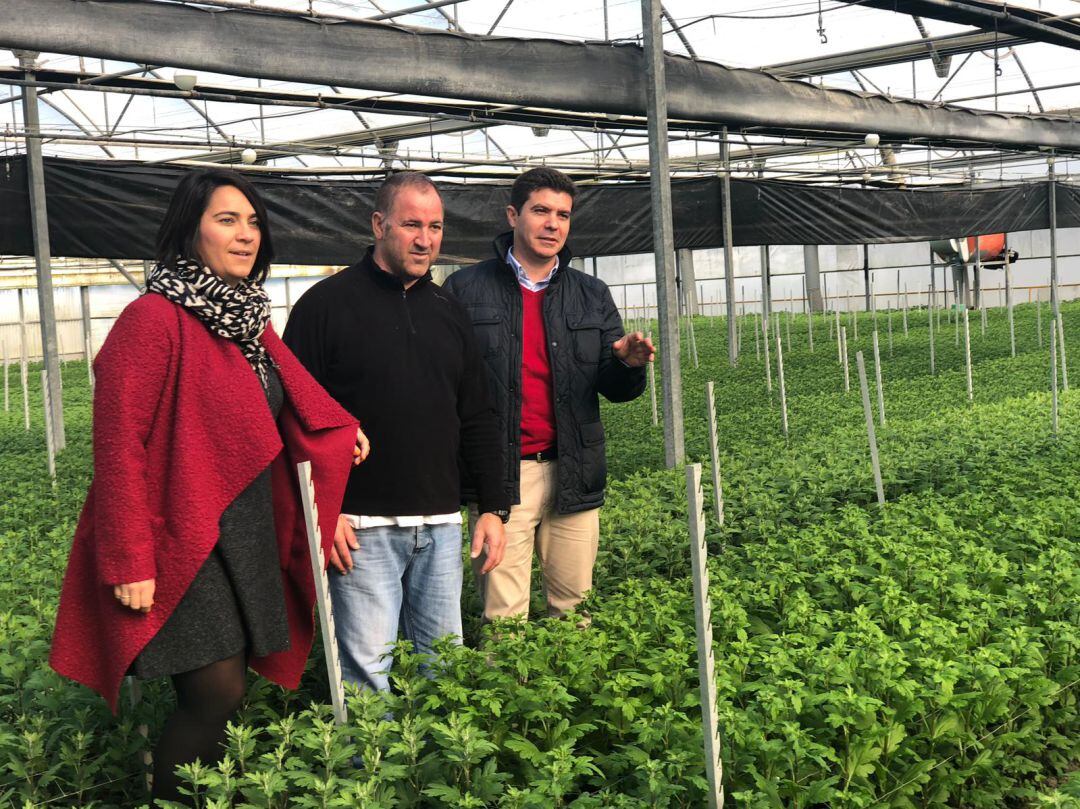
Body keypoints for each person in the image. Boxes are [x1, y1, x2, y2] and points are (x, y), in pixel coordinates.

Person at [49, 168, 365, 805]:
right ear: (189, 230)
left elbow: (296, 394)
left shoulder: (249, 322)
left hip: (240, 534)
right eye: (228, 220)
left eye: (253, 222)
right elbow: (117, 448)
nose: (247, 234)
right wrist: (128, 559)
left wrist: (340, 429)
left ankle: (205, 797)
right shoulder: (153, 320)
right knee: (213, 691)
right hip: (182, 538)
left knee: (229, 692)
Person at [283, 172, 509, 693]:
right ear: (379, 224)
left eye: (435, 227)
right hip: (360, 529)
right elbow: (294, 416)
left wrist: (493, 508)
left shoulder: (449, 311)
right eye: (411, 224)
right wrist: (322, 509)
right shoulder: (324, 307)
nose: (426, 239)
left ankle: (443, 775)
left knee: (445, 668)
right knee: (367, 674)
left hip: (440, 525)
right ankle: (373, 774)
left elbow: (476, 415)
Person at [442, 167, 653, 622]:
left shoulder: (591, 294)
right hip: (501, 477)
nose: (553, 223)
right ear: (513, 215)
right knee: (503, 617)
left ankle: (572, 691)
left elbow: (613, 390)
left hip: (573, 472)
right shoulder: (464, 289)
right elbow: (444, 384)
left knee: (575, 609)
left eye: (563, 214)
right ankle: (513, 691)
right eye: (541, 211)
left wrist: (626, 365)